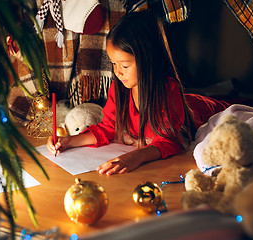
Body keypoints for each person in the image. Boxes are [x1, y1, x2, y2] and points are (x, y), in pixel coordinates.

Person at [47, 11, 230, 175]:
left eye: (125, 65)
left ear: (147, 60)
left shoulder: (168, 90)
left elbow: (170, 142)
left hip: (202, 108)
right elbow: (108, 128)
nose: (117, 72)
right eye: (113, 64)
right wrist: (68, 141)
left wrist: (136, 156)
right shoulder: (118, 88)